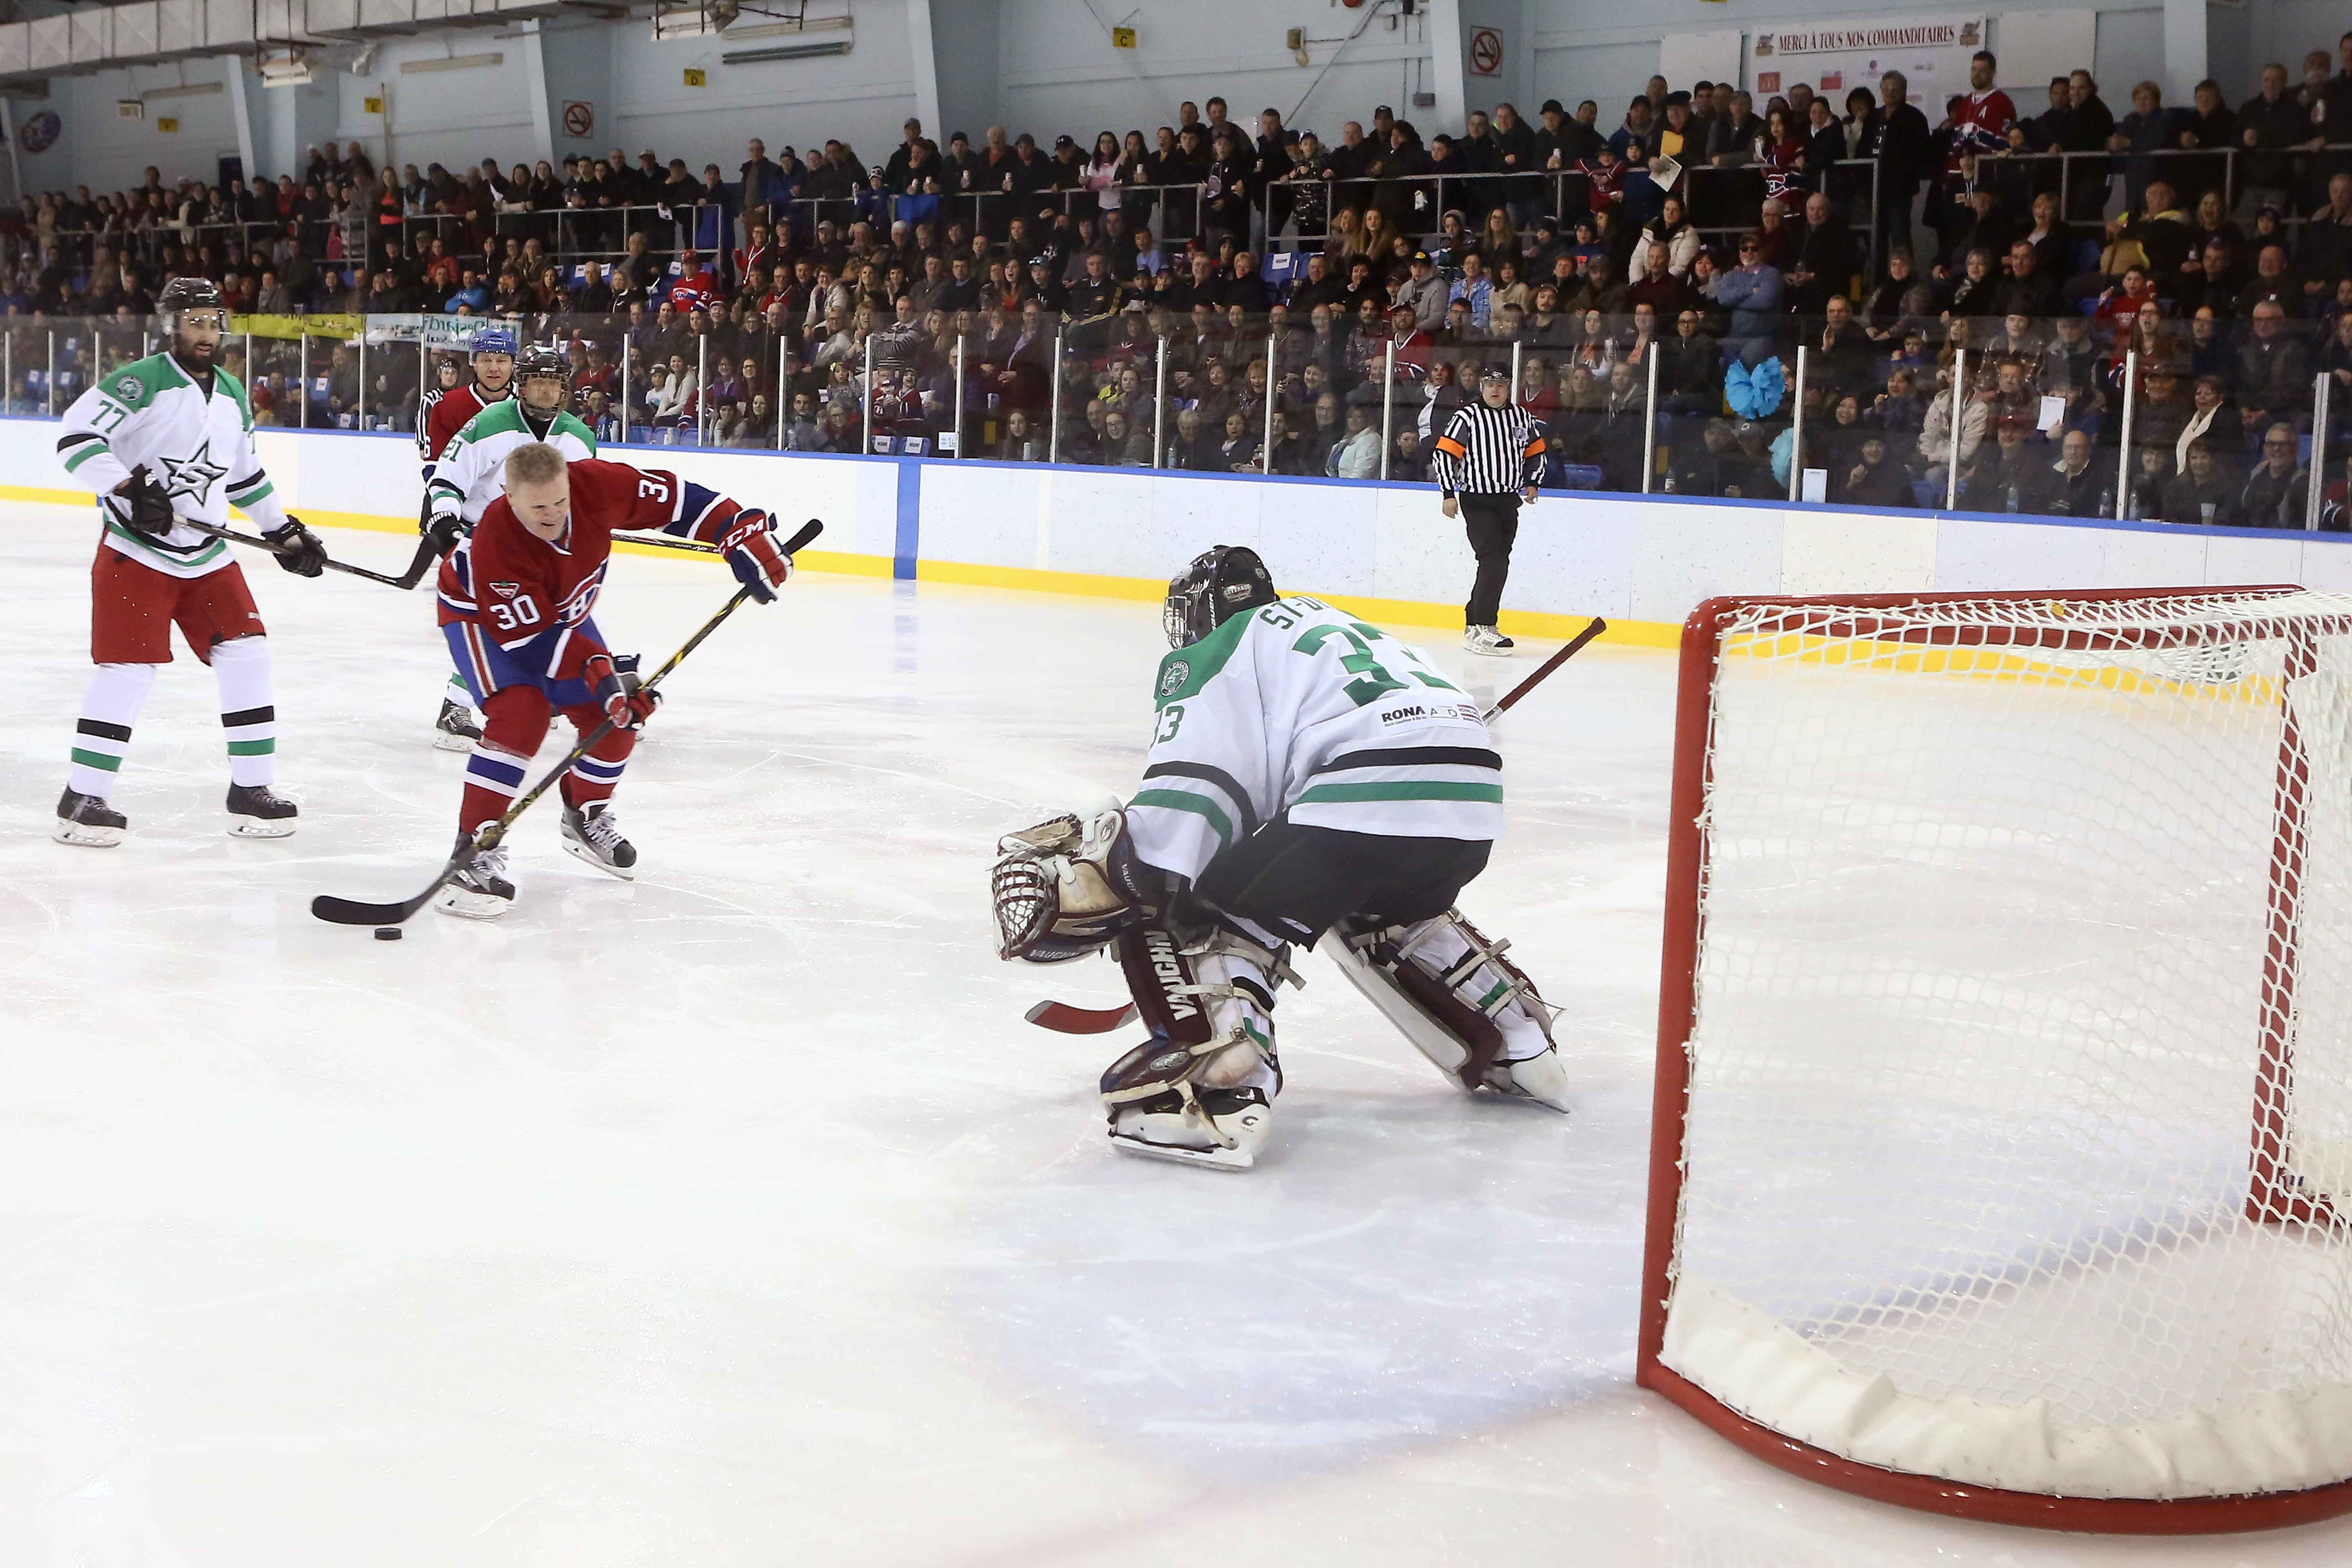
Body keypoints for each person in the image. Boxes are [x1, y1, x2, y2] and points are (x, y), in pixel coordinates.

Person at [988, 545, 1569, 1170]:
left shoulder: (1220, 649)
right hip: (1469, 805)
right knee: (1386, 910)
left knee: (1208, 910)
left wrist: (1139, 865)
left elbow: (1200, 785)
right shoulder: (1332, 625)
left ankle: (1219, 1093)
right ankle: (1518, 1045)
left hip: (1362, 793)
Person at [434, 444, 797, 918]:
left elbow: (678, 500)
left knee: (619, 719)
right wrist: (603, 676)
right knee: (522, 715)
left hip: (561, 615)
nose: (554, 515)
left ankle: (584, 814)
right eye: (539, 507)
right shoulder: (496, 543)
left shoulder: (596, 486)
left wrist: (736, 531)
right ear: (508, 496)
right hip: (481, 615)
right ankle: (471, 852)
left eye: (560, 501)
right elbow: (534, 646)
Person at [51, 276, 324, 847]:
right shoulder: (140, 382)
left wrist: (283, 531)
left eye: (213, 321)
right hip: (135, 552)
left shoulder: (230, 391)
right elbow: (76, 437)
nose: (206, 332)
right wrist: (126, 486)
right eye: (194, 321)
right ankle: (83, 797)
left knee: (248, 653)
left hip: (207, 555)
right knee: (129, 670)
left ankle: (251, 789)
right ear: (171, 326)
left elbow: (243, 474)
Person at [418, 324, 519, 750]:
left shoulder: (528, 406)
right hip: (469, 528)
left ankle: (530, 695)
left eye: (502, 360)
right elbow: (437, 469)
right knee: (488, 618)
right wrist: (447, 518)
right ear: (473, 363)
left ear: (513, 365)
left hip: (520, 529)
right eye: (486, 359)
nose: (494, 368)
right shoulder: (450, 406)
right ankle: (457, 703)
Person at [423, 343, 598, 540]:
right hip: (479, 534)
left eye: (554, 383)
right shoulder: (489, 422)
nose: (547, 391)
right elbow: (448, 481)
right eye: (539, 382)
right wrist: (446, 519)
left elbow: (583, 501)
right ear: (522, 387)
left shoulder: (581, 437)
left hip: (543, 541)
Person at [1431, 366, 1546, 656]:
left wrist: (1533, 483)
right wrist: (1448, 493)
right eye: (1489, 384)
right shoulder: (1467, 417)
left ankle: (1474, 624)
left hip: (1508, 501)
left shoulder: (1521, 417)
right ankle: (1484, 625)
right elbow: (1445, 454)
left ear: (1509, 388)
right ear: (1481, 387)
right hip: (1477, 499)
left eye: (1502, 384)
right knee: (1493, 560)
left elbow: (1536, 453)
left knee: (1498, 561)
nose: (1495, 389)